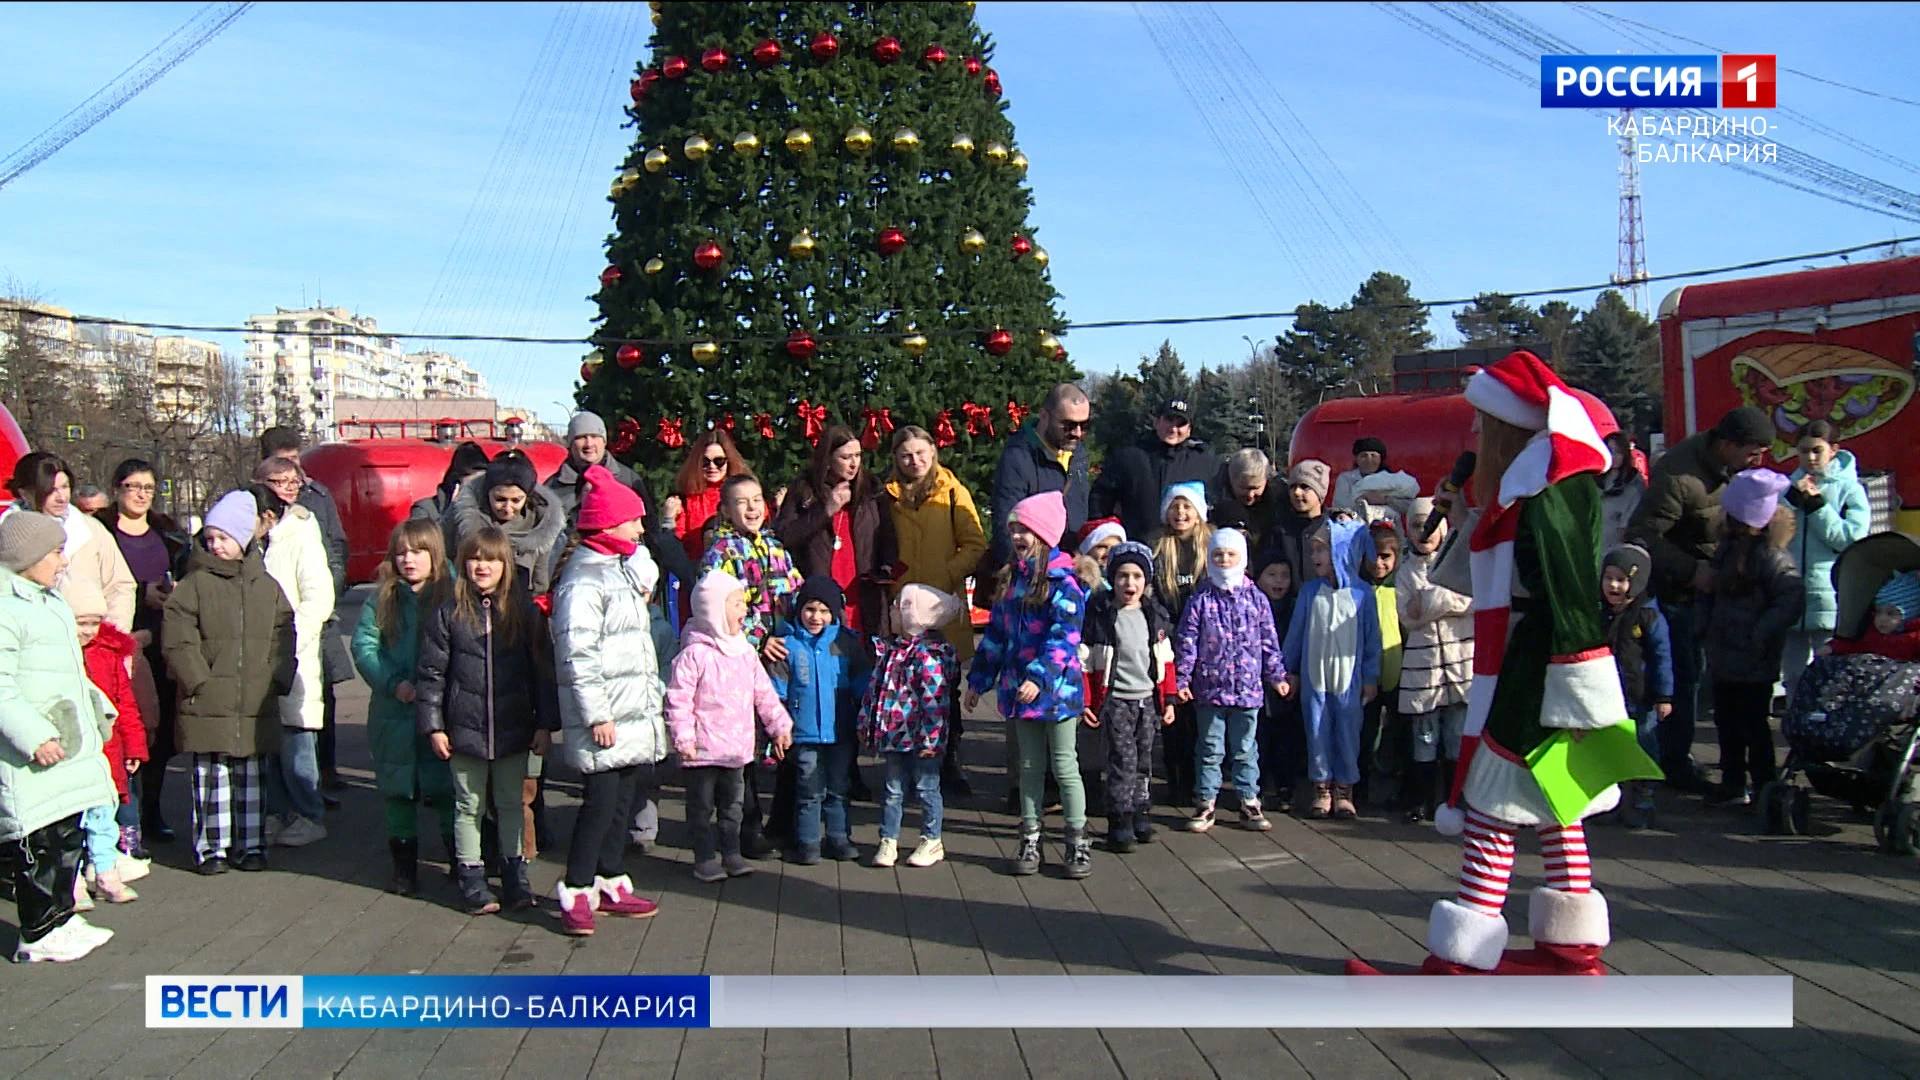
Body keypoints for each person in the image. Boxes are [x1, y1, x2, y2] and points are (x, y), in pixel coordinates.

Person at [1349, 350, 1635, 977]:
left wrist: (1580, 687)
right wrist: (1460, 516)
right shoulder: (1546, 482)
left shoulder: (1551, 487)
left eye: (1483, 425)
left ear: (1510, 428)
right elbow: (1505, 571)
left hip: (1538, 667)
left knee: (1491, 803)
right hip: (1540, 662)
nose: (1474, 437)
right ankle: (1572, 946)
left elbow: (1562, 591)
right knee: (1558, 802)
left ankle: (1461, 961)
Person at [1626, 404, 1774, 792]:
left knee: (1714, 680)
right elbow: (1642, 533)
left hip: (1723, 592)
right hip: (1680, 592)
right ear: (1727, 445)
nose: (1757, 460)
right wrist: (1694, 571)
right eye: (1751, 452)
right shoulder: (1679, 477)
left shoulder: (1737, 470)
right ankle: (1672, 764)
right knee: (1682, 678)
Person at [549, 466, 668, 935]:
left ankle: (609, 876)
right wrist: (597, 714)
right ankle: (577, 884)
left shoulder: (617, 570)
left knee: (623, 796)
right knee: (599, 802)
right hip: (606, 716)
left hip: (629, 710)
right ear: (608, 524)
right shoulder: (583, 581)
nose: (641, 529)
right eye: (634, 521)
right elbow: (578, 655)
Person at [415, 526, 557, 916]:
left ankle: (515, 875)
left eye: (491, 559)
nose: (482, 566)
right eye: (475, 559)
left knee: (512, 803)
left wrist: (545, 724)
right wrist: (434, 725)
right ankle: (472, 877)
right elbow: (431, 674)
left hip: (515, 728)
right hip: (464, 728)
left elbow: (542, 672)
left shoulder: (524, 613)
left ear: (505, 566)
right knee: (469, 805)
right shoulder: (448, 614)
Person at [0, 511, 121, 963]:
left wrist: (95, 706)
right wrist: (33, 736)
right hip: (30, 756)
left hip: (66, 748)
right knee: (38, 844)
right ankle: (37, 931)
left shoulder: (49, 602)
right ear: (27, 556)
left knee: (68, 836)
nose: (63, 560)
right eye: (54, 552)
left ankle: (63, 917)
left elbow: (68, 672)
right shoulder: (7, 608)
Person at [163, 491, 296, 876]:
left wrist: (278, 675)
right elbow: (178, 635)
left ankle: (250, 844)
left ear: (243, 538)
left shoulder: (266, 586)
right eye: (210, 539)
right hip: (208, 698)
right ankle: (211, 848)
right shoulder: (194, 584)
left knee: (251, 777)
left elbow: (282, 633)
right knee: (210, 776)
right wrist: (196, 677)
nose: (215, 546)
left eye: (223, 538)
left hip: (255, 698)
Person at [964, 491, 1092, 879]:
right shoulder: (1011, 580)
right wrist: (979, 680)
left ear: (1046, 534)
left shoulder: (1065, 583)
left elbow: (1063, 637)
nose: (1018, 536)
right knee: (1029, 765)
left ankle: (1076, 839)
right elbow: (997, 636)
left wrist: (1038, 677)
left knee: (1065, 765)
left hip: (1058, 692)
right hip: (1019, 692)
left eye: (1026, 530)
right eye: (1013, 529)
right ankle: (1031, 834)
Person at [700, 474, 806, 856]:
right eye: (741, 502)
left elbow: (796, 589)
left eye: (757, 499)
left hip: (785, 654)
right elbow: (717, 608)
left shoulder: (776, 546)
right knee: (745, 742)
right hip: (743, 656)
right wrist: (758, 638)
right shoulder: (721, 552)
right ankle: (748, 826)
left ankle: (786, 821)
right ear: (726, 510)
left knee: (788, 734)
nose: (752, 508)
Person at [666, 570, 794, 883]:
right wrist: (683, 740)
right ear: (712, 609)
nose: (744, 611)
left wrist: (779, 726)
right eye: (736, 604)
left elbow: (764, 693)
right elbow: (678, 701)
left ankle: (731, 851)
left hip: (736, 749)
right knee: (701, 808)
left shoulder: (745, 652)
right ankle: (705, 857)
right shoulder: (693, 655)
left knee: (733, 808)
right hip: (702, 750)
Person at [351, 519, 455, 897]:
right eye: (401, 552)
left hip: (442, 711)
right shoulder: (381, 598)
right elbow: (365, 647)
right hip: (394, 712)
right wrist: (394, 683)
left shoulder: (453, 594)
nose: (408, 560)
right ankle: (404, 868)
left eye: (418, 552)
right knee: (398, 790)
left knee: (447, 788)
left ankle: (460, 860)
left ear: (435, 554)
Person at [881, 425, 987, 796]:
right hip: (903, 611)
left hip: (944, 608)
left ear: (933, 453)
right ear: (895, 458)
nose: (915, 462)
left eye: (921, 454)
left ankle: (948, 762)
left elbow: (975, 544)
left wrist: (946, 575)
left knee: (946, 690)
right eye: (906, 455)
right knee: (905, 690)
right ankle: (906, 765)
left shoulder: (953, 491)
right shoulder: (885, 496)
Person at [97, 458, 189, 847]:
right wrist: (140, 593)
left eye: (148, 488)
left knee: (161, 732)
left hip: (161, 642)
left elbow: (187, 572)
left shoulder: (166, 532)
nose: (140, 495)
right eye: (133, 486)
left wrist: (175, 593)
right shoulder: (100, 532)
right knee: (122, 732)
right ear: (117, 488)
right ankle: (122, 815)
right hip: (119, 640)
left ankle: (151, 808)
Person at [1173, 528, 1289, 833]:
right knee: (1210, 748)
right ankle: (1206, 801)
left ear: (1243, 558)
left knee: (1245, 749)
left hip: (1248, 691)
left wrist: (1276, 676)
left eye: (1230, 554)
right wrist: (1181, 680)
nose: (1224, 560)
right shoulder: (1201, 599)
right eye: (1218, 555)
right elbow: (1187, 641)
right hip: (1210, 690)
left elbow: (1268, 642)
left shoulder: (1256, 599)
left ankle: (1248, 799)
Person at [1701, 469, 1804, 808]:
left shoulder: (1773, 556)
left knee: (1754, 724)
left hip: (1754, 655)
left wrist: (1760, 635)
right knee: (1727, 721)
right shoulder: (1729, 549)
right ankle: (1732, 781)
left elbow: (1790, 600)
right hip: (1726, 652)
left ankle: (1763, 784)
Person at [259, 428, 351, 795]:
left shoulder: (316, 497)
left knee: (318, 700)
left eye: (296, 465)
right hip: (268, 626)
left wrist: (331, 584)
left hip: (313, 618)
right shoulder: (249, 505)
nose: (292, 477)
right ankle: (282, 796)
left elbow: (336, 545)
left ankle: (321, 775)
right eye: (283, 469)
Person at [253, 465, 336, 850]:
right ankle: (275, 811)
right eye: (279, 483)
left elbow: (317, 598)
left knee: (296, 742)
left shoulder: (301, 536)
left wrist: (288, 640)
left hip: (291, 653)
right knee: (266, 741)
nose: (288, 490)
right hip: (255, 657)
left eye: (293, 483)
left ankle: (308, 813)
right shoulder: (250, 541)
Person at [1282, 520, 1380, 820]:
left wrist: (1371, 676)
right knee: (1316, 729)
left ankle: (1344, 788)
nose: (1314, 557)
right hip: (1315, 678)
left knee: (1348, 730)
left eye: (1321, 549)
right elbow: (1296, 634)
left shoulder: (1364, 595)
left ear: (1343, 551)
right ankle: (1321, 786)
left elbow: (1372, 639)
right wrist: (1289, 669)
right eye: (1313, 550)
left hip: (1349, 680)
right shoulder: (1311, 593)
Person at [1081, 541, 1176, 851]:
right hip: (1116, 699)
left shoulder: (1154, 615)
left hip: (1148, 700)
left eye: (1137, 576)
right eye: (1122, 576)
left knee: (1145, 759)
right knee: (1123, 760)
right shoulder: (1102, 615)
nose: (1129, 583)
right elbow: (1085, 661)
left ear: (1146, 581)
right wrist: (1086, 699)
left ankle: (1140, 813)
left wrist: (1170, 699)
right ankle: (1118, 820)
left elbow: (1166, 660)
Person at [769, 577, 869, 865]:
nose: (817, 617)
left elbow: (864, 686)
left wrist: (868, 719)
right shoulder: (786, 646)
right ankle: (808, 842)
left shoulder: (846, 644)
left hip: (841, 731)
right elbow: (776, 694)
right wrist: (779, 729)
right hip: (803, 733)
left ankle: (838, 837)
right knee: (809, 789)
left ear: (835, 613)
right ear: (800, 609)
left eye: (825, 611)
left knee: (838, 786)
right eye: (810, 609)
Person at [860, 584, 961, 869]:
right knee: (892, 789)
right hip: (894, 734)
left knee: (927, 787)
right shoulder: (892, 651)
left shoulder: (928, 657)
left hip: (921, 739)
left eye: (897, 606)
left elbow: (934, 702)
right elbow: (875, 689)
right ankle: (888, 839)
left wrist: (931, 739)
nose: (892, 610)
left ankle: (932, 839)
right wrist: (866, 720)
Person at [547, 412, 699, 598]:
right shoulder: (553, 488)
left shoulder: (628, 480)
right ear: (570, 444)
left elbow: (649, 530)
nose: (589, 444)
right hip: (570, 577)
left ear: (604, 441)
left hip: (625, 577)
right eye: (581, 438)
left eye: (595, 436)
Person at [773, 424, 897, 637]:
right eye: (845, 457)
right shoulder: (804, 488)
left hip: (862, 589)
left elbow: (887, 535)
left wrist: (886, 569)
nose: (854, 464)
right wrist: (825, 510)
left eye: (857, 455)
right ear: (828, 460)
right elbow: (784, 536)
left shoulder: (872, 488)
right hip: (822, 587)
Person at [1394, 498, 1474, 825]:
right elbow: (1407, 614)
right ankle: (1422, 801)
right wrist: (1442, 600)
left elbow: (1471, 600)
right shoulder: (1405, 571)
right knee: (1424, 737)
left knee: (1457, 735)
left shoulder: (1460, 563)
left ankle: (1455, 799)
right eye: (1416, 525)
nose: (1423, 532)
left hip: (1459, 663)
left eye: (1429, 524)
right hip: (1423, 668)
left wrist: (1430, 599)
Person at [68, 578, 147, 906]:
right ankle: (72, 881)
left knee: (103, 815)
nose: (88, 630)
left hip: (107, 751)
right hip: (74, 751)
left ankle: (104, 871)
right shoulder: (63, 654)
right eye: (81, 623)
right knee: (72, 821)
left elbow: (124, 702)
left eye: (94, 623)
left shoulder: (109, 653)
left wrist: (134, 745)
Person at [1781, 420, 1871, 700]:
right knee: (1793, 675)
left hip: (1829, 593)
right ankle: (1796, 726)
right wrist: (1790, 504)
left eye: (1817, 451)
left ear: (1833, 450)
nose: (1809, 458)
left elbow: (1849, 540)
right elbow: (1777, 538)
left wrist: (1817, 507)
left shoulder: (1850, 489)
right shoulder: (1789, 487)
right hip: (1792, 591)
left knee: (1829, 672)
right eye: (1803, 451)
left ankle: (1826, 726)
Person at [5, 452, 136, 632]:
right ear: (25, 493)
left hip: (92, 643)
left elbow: (120, 586)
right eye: (50, 490)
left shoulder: (90, 530)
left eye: (65, 487)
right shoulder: (7, 536)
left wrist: (112, 637)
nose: (61, 497)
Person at [1600, 544, 1672, 829]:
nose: (1613, 586)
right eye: (1608, 578)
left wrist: (1663, 696)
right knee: (1611, 747)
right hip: (1608, 694)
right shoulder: (1601, 612)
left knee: (1644, 746)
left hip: (1640, 696)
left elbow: (1662, 657)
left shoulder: (1647, 615)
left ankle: (1644, 799)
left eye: (1621, 579)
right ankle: (1611, 800)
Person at [1152, 481, 1213, 806]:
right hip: (1171, 641)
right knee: (1173, 711)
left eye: (1187, 506)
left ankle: (1198, 778)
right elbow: (1156, 597)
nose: (1181, 513)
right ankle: (1175, 776)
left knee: (1201, 719)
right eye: (1175, 506)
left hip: (1204, 642)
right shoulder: (1160, 548)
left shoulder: (1210, 546)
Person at [987, 383, 1091, 572]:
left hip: (1070, 571)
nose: (1077, 433)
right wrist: (1026, 575)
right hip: (1034, 573)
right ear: (1044, 416)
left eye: (1084, 425)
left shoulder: (1078, 453)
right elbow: (1006, 525)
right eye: (1068, 425)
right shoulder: (1018, 457)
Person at [1090, 397, 1220, 544]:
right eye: (1169, 420)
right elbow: (1100, 500)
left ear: (1189, 430)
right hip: (1138, 546)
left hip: (1187, 549)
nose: (1173, 428)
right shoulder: (1130, 457)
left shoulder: (1203, 461)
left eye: (1180, 424)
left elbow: (1216, 505)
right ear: (1156, 422)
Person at [446, 449, 567, 598]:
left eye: (516, 500)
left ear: (528, 497)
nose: (507, 508)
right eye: (500, 499)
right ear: (487, 493)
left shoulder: (541, 526)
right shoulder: (461, 519)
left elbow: (541, 584)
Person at [668, 429, 756, 615]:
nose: (712, 466)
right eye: (705, 461)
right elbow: (678, 545)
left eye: (719, 461)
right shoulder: (685, 499)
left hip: (739, 582)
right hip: (698, 583)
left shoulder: (743, 494)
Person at [1252, 551, 1305, 810]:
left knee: (1287, 737)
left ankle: (1286, 786)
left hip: (1287, 681)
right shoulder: (1251, 604)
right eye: (1272, 574)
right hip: (1256, 683)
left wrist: (1293, 672)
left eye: (1285, 575)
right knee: (1258, 737)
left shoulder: (1294, 607)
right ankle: (1257, 786)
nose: (1279, 581)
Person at [1362, 522, 1405, 809]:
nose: (1378, 563)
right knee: (1365, 731)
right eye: (1373, 556)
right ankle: (1361, 788)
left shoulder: (1400, 588)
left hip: (1398, 672)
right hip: (1367, 674)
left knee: (1400, 731)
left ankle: (1397, 788)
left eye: (1386, 557)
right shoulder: (1359, 589)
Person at [411, 441, 491, 554]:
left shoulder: (491, 509)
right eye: (473, 485)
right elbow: (422, 547)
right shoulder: (425, 510)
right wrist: (453, 510)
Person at [1268, 460, 1330, 590]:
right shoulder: (1281, 529)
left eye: (1305, 486)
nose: (1297, 492)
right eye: (1292, 487)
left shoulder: (1332, 528)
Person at [1827, 573, 1920, 660]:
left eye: (1890, 613)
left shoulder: (1915, 638)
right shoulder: (1872, 634)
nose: (1882, 618)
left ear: (1908, 615)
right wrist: (1833, 648)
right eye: (1878, 612)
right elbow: (1855, 646)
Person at [1211, 448, 1282, 553]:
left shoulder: (1279, 498)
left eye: (1256, 488)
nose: (1250, 495)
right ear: (1230, 480)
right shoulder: (1213, 497)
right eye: (1244, 488)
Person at [1332, 437, 1417, 516]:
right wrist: (1364, 500)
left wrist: (1385, 500)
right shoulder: (1346, 479)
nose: (1369, 459)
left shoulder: (1394, 481)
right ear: (1357, 459)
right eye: (1364, 455)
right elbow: (1340, 508)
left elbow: (1409, 507)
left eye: (1373, 455)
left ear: (1380, 459)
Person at [1597, 431, 1645, 549]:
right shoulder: (1595, 481)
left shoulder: (1633, 487)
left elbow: (1627, 528)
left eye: (1618, 452)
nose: (1613, 456)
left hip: (1616, 549)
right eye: (1609, 451)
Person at [1072, 517, 1126, 598]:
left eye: (1115, 547)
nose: (1109, 552)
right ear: (1087, 551)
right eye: (1102, 547)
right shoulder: (1079, 582)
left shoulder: (1131, 582)